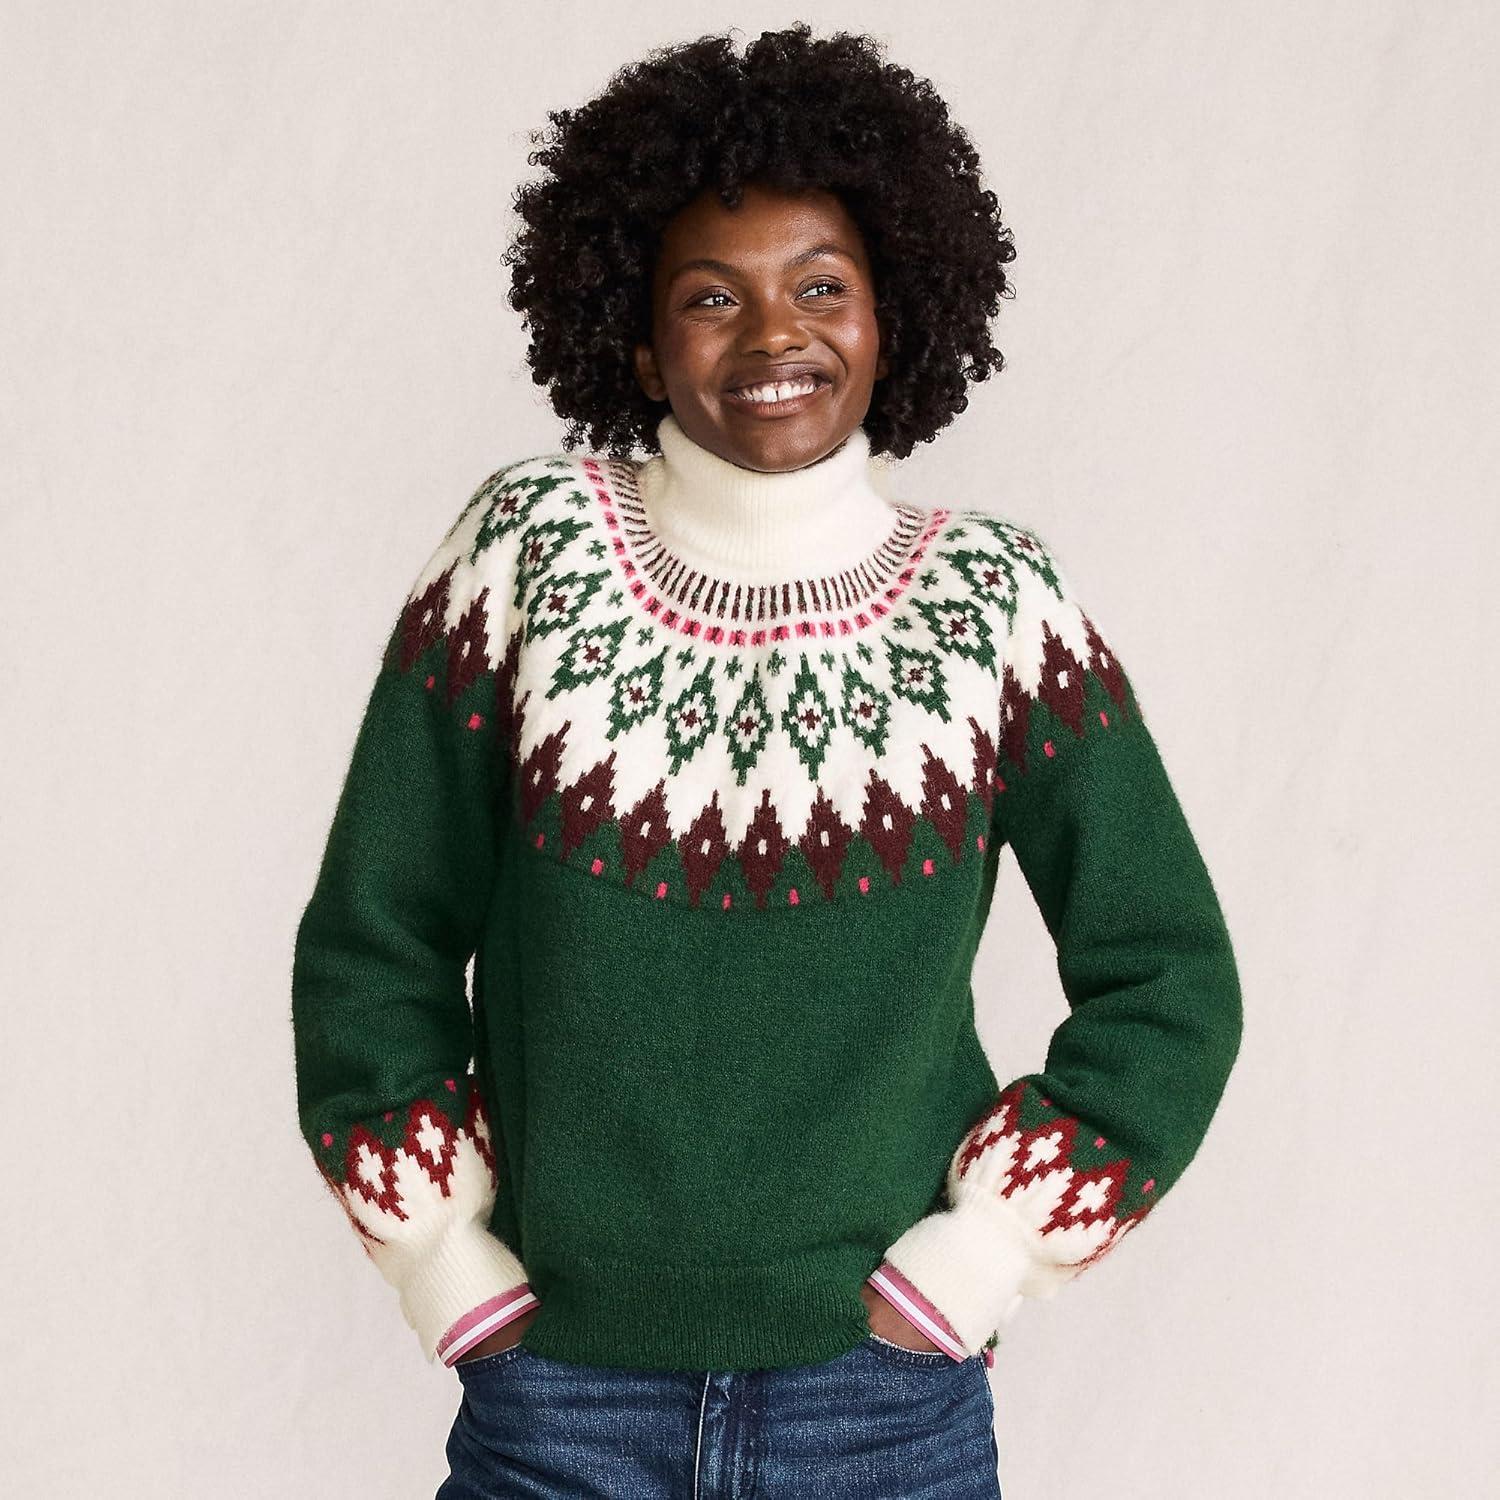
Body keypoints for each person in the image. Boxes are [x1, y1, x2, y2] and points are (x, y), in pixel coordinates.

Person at [290, 23, 1242, 1499]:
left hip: (881, 1409)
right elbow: (376, 937)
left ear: (894, 314)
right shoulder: (526, 553)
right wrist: (443, 1260)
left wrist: (982, 1260)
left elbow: (1170, 976)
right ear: (635, 338)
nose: (772, 334)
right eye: (710, 297)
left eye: (821, 286)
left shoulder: (995, 603)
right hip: (560, 1400)